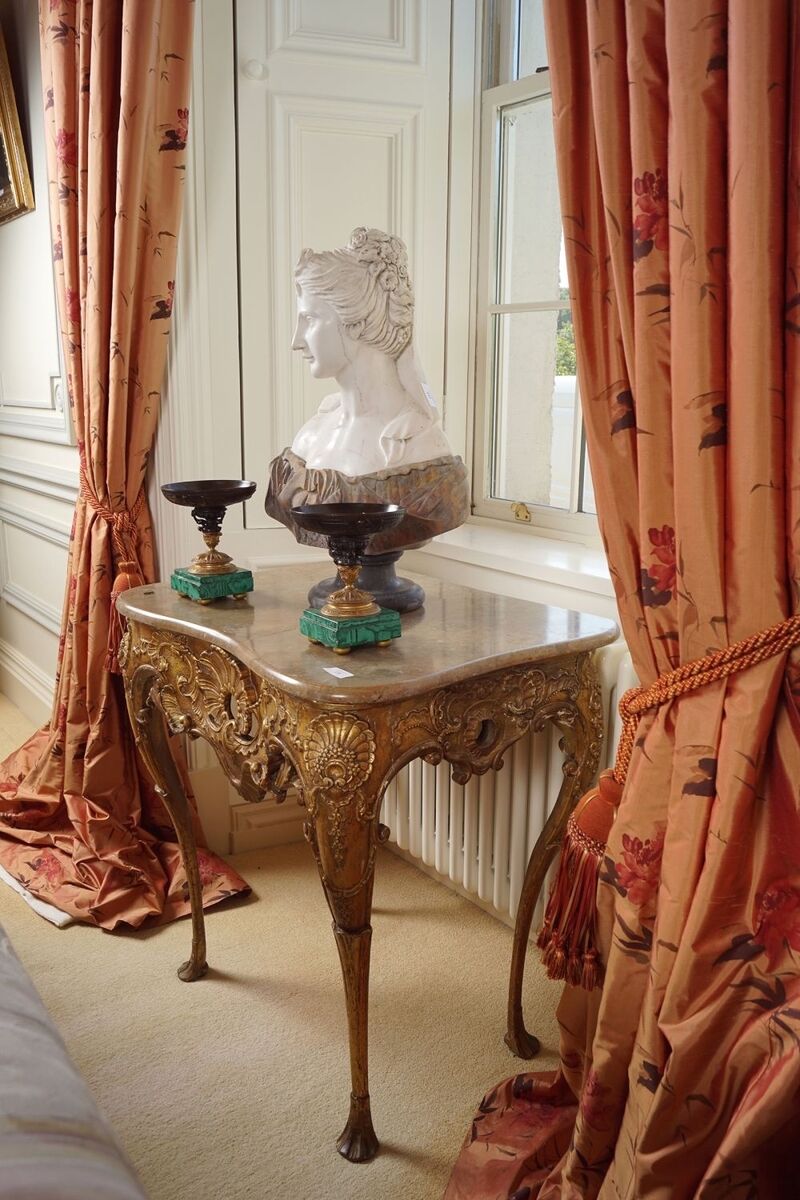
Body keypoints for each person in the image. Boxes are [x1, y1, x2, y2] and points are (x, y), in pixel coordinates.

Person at [290, 227, 454, 477]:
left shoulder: (419, 446)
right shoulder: (311, 435)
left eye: (310, 319)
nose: (296, 341)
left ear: (357, 322)